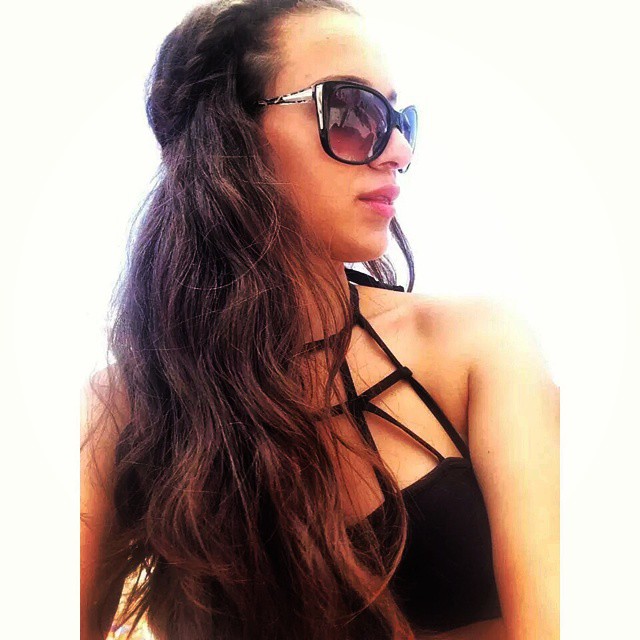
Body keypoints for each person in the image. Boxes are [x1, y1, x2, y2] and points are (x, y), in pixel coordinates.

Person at [80, 1, 560, 639]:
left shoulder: (476, 348)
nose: (398, 150)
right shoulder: (128, 407)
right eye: (353, 113)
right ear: (229, 138)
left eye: (401, 121)